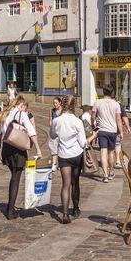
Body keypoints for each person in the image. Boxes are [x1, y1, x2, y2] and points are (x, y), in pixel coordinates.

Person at [0, 96, 44, 219]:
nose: (25, 110)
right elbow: (31, 131)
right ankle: (10, 211)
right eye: (25, 107)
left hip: (6, 148)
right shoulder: (20, 114)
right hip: (18, 149)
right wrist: (38, 148)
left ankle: (10, 206)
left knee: (14, 177)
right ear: (22, 105)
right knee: (16, 179)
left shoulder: (5, 114)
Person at [50, 96, 87, 224]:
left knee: (65, 184)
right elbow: (83, 143)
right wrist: (93, 136)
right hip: (76, 154)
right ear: (74, 105)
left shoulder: (57, 120)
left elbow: (52, 135)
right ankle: (75, 208)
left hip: (63, 155)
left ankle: (65, 214)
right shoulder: (77, 122)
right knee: (75, 182)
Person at [92, 86, 123, 183]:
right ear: (112, 93)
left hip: (102, 131)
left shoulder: (97, 102)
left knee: (103, 152)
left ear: (103, 91)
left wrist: (94, 124)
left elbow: (93, 116)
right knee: (111, 152)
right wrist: (121, 132)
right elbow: (118, 119)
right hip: (112, 131)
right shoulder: (116, 104)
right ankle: (111, 171)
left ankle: (105, 175)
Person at [48, 97, 64, 170]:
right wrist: (51, 126)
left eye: (56, 103)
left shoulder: (63, 111)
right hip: (54, 132)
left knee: (62, 148)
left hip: (62, 132)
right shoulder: (51, 111)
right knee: (54, 148)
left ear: (60, 102)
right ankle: (54, 164)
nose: (55, 104)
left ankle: (61, 164)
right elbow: (50, 121)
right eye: (54, 103)